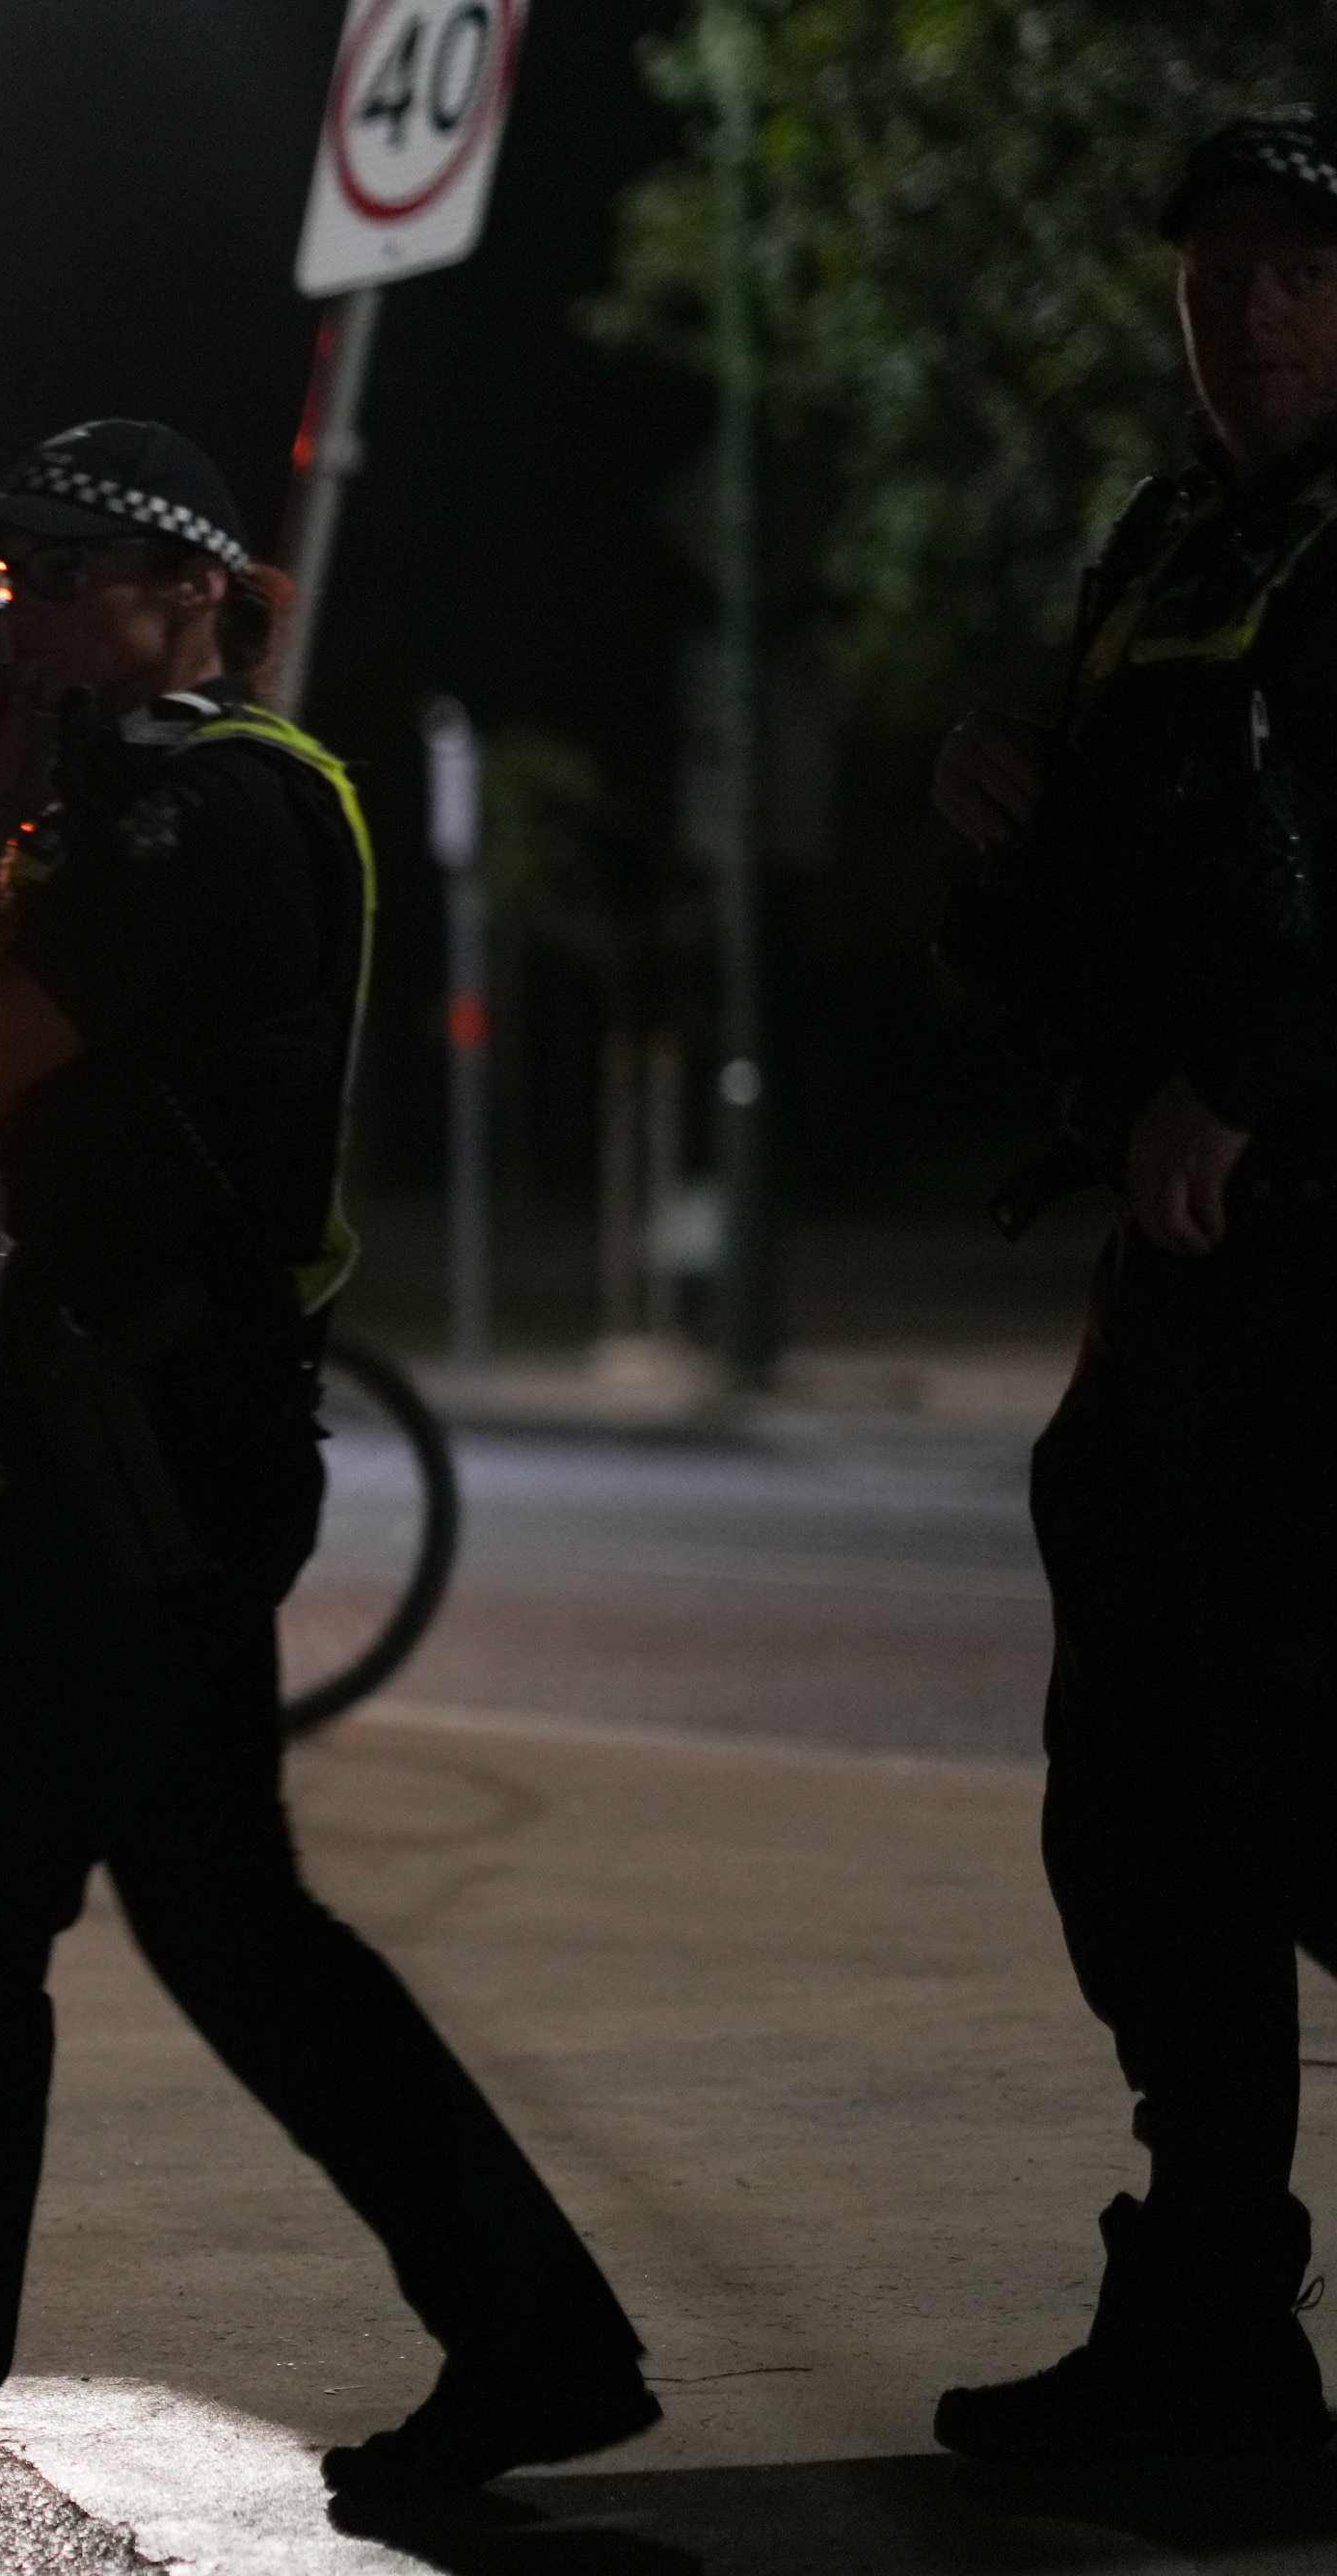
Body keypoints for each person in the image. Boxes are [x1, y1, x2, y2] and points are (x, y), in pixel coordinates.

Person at [0, 423, 651, 2566]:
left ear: (195, 596)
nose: (26, 617)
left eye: (72, 573)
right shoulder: (126, 808)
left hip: (154, 1450)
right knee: (230, 1928)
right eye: (7, 584)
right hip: (146, 1433)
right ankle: (533, 2329)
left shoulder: (206, 810)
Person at [927, 107, 1337, 2469]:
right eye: (1217, 272)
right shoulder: (1157, 551)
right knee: (1147, 1817)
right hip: (1174, 1300)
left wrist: (1252, 1088)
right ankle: (1203, 2328)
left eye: (1296, 267)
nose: (1253, 307)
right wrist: (1000, 829)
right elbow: (1088, 926)